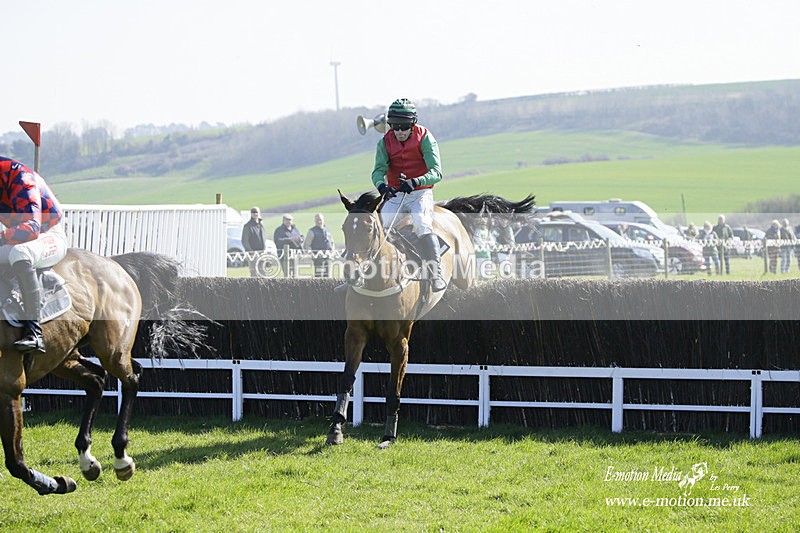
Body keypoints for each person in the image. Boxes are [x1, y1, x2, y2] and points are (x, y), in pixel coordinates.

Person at [372, 98, 446, 292]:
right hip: (396, 195)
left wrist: (416, 181)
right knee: (381, 228)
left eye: (403, 126)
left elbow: (437, 172)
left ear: (412, 123)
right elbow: (377, 171)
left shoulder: (425, 137)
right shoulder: (384, 143)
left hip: (420, 194)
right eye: (394, 126)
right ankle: (362, 275)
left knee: (421, 223)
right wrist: (382, 187)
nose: (399, 131)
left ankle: (435, 274)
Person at [0, 157, 69, 353]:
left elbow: (31, 228)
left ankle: (34, 332)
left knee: (21, 253)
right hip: (16, 238)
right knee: (17, 250)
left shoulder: (21, 177)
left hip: (48, 235)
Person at [303, 213, 334, 277]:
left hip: (328, 257)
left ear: (323, 220)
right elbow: (306, 245)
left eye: (320, 219)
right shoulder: (312, 231)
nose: (319, 221)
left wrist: (332, 253)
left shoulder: (327, 230)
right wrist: (312, 254)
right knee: (319, 276)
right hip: (318, 258)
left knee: (328, 276)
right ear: (315, 221)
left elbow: (332, 243)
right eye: (317, 220)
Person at [241, 207, 266, 277]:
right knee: (254, 273)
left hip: (262, 252)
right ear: (251, 214)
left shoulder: (261, 225)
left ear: (259, 213)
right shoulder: (247, 226)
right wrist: (250, 251)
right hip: (252, 253)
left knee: (263, 272)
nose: (255, 213)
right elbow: (244, 240)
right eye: (253, 212)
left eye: (256, 212)